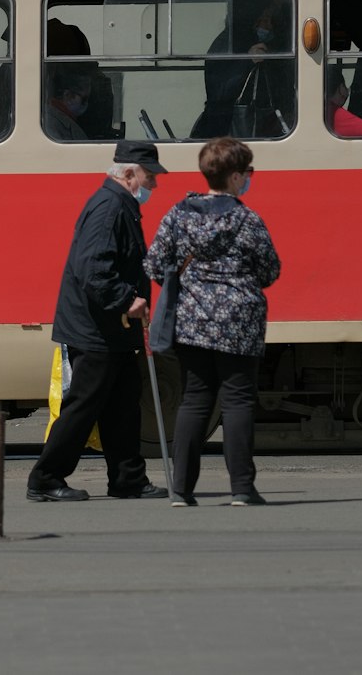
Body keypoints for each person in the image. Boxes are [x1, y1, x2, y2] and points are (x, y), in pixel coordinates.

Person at [26, 139, 169, 502]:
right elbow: (94, 271)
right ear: (128, 173)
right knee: (85, 405)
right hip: (96, 329)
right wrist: (127, 300)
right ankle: (46, 477)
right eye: (149, 177)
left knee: (122, 404)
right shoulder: (110, 208)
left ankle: (127, 478)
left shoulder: (119, 205)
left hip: (112, 329)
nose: (154, 185)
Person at [143, 136, 281, 508]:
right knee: (237, 402)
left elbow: (155, 264)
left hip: (192, 321)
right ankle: (242, 489)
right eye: (247, 172)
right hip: (239, 323)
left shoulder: (178, 214)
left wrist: (193, 285)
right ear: (235, 177)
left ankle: (181, 490)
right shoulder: (246, 219)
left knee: (193, 401)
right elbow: (270, 270)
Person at [191, 0, 294, 140]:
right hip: (226, 130)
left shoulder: (251, 42)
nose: (269, 26)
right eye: (264, 19)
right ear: (252, 18)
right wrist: (247, 60)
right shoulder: (227, 45)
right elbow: (220, 92)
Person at [43, 65, 95, 142]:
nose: (86, 104)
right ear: (68, 95)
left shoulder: (63, 120)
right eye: (84, 100)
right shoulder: (51, 124)